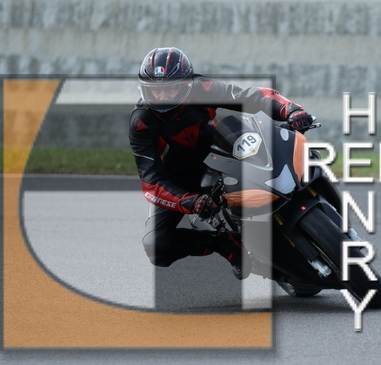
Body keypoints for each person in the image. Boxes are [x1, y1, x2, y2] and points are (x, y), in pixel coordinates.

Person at [129, 47, 313, 277]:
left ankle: (298, 182)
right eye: (155, 91)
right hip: (177, 179)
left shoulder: (202, 88)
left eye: (170, 89)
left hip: (220, 154)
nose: (162, 97)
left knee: (248, 129)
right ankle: (221, 243)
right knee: (156, 246)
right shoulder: (142, 122)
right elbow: (151, 182)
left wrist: (290, 109)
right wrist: (187, 201)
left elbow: (250, 96)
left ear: (186, 84)